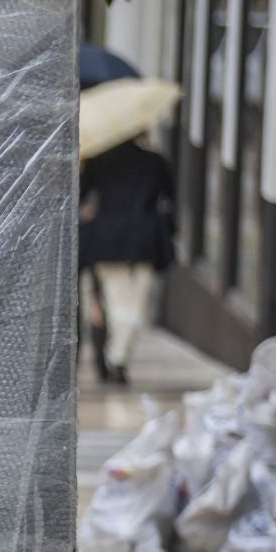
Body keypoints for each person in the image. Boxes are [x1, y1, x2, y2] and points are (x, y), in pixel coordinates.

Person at [80, 136, 175, 385]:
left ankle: (115, 355)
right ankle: (119, 356)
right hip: (143, 240)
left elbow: (81, 195)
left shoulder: (99, 162)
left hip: (106, 240)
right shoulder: (154, 162)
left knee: (114, 300)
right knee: (137, 304)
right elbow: (169, 195)